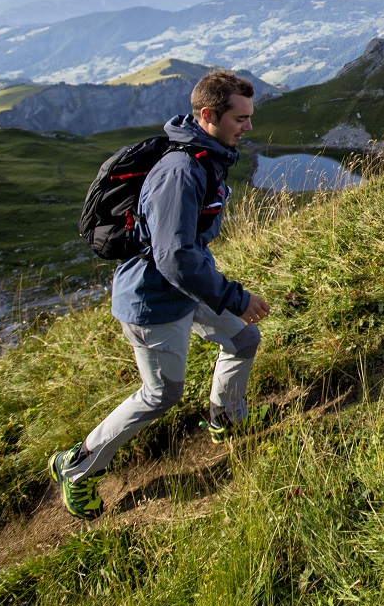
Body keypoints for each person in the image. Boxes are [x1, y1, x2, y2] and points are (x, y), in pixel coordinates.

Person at [48, 69, 272, 519]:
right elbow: (173, 257)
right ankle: (76, 466)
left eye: (250, 117)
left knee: (243, 341)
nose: (248, 127)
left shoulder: (208, 154)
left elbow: (186, 252)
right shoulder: (181, 170)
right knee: (160, 395)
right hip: (153, 303)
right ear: (208, 115)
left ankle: (225, 418)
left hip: (187, 289)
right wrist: (234, 297)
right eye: (241, 118)